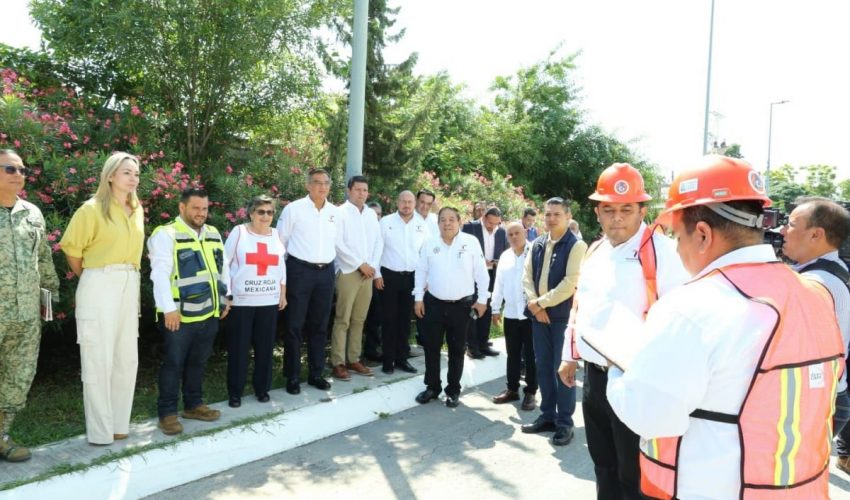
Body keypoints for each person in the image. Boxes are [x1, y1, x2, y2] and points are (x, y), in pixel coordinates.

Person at [608, 156, 844, 499]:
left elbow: (650, 415)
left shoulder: (693, 306)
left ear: (702, 234)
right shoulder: (814, 295)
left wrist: (619, 372)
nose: (677, 248)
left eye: (677, 236)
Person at [558, 163, 689, 499]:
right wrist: (569, 356)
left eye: (626, 209)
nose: (617, 218)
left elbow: (681, 322)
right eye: (609, 210)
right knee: (603, 464)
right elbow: (580, 306)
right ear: (598, 212)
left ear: (642, 210)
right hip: (595, 379)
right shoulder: (596, 250)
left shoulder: (663, 254)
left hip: (637, 380)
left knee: (634, 471)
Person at [60, 151, 144, 446]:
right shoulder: (91, 209)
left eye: (135, 173)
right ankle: (99, 431)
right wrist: (94, 279)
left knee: (126, 357)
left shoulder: (137, 209)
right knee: (98, 358)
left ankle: (120, 424)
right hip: (99, 281)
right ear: (110, 176)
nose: (133, 178)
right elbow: (73, 251)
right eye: (126, 173)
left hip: (130, 281)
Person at [148, 187, 229, 435]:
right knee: (173, 363)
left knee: (198, 362)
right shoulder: (166, 234)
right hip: (179, 316)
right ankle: (168, 413)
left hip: (209, 312)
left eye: (204, 208)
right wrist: (168, 310)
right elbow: (159, 275)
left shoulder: (213, 233)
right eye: (195, 208)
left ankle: (194, 405)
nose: (201, 213)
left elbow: (223, 268)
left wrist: (226, 298)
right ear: (182, 208)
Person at [779, 197, 850, 471]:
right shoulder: (826, 272)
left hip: (818, 399)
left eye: (791, 224)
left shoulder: (815, 284)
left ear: (816, 234)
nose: (782, 230)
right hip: (831, 395)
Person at [0, 149, 59, 461]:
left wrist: (49, 296)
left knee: (18, 377)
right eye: (10, 168)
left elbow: (44, 258)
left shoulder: (32, 213)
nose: (19, 174)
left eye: (22, 169)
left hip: (25, 315)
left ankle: (1, 436)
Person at [521, 197, 587, 446]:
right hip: (539, 317)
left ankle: (564, 423)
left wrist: (541, 303)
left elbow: (571, 283)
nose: (551, 218)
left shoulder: (576, 245)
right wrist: (534, 306)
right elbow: (526, 276)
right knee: (542, 366)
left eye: (556, 214)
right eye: (547, 214)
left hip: (562, 318)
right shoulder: (537, 243)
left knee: (563, 370)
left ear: (568, 216)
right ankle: (547, 416)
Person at [413, 207, 489, 407]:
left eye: (451, 219)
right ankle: (432, 387)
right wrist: (418, 298)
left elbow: (481, 272)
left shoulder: (470, 243)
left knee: (457, 349)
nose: (447, 223)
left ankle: (453, 389)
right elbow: (421, 271)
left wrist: (483, 299)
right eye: (443, 220)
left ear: (459, 222)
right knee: (431, 347)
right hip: (433, 304)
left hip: (461, 306)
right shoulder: (430, 243)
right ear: (437, 223)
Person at [276, 168, 340, 394]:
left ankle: (316, 373)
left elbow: (338, 244)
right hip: (299, 271)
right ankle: (292, 376)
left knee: (320, 325)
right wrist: (283, 277)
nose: (322, 187)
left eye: (325, 183)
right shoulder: (294, 209)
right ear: (307, 185)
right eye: (316, 182)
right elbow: (280, 243)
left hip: (325, 274)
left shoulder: (335, 212)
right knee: (294, 325)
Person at [223, 194, 287, 408]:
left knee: (265, 348)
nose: (266, 216)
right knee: (239, 349)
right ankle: (235, 392)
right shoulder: (239, 232)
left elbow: (280, 267)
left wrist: (283, 293)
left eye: (270, 212)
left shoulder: (276, 235)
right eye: (261, 211)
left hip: (268, 301)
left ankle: (262, 389)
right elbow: (225, 264)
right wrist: (227, 295)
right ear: (251, 213)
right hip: (241, 302)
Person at [330, 176, 382, 380]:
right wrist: (360, 264)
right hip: (349, 271)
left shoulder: (370, 215)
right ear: (349, 190)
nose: (362, 193)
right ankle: (338, 362)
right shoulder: (340, 213)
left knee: (359, 319)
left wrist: (372, 267)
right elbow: (338, 243)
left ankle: (353, 359)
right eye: (358, 189)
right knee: (342, 318)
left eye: (365, 190)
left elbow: (378, 242)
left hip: (368, 273)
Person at [375, 191, 425, 375]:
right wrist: (377, 274)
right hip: (388, 277)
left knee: (405, 320)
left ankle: (402, 358)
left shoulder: (421, 225)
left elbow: (425, 254)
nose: (406, 205)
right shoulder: (385, 222)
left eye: (410, 202)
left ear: (415, 203)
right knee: (389, 319)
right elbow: (376, 249)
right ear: (397, 202)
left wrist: (424, 280)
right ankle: (388, 360)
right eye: (403, 201)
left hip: (411, 277)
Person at [490, 221, 537, 411]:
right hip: (510, 313)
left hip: (531, 313)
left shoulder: (535, 252)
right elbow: (499, 284)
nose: (514, 237)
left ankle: (531, 392)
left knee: (532, 355)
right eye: (510, 235)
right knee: (513, 354)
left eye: (517, 233)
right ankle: (512, 389)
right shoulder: (505, 256)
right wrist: (495, 308)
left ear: (525, 232)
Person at [462, 206, 507, 358]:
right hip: (472, 275)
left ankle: (483, 343)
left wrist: (496, 262)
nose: (492, 227)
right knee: (474, 309)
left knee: (487, 309)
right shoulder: (470, 227)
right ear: (483, 217)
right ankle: (471, 346)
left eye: (496, 224)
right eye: (490, 223)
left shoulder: (501, 232)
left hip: (492, 274)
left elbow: (504, 252)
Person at [362, 201, 384, 364]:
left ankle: (373, 349)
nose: (376, 217)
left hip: (380, 278)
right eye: (373, 213)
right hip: (363, 276)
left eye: (379, 214)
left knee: (376, 316)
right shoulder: (362, 231)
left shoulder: (384, 230)